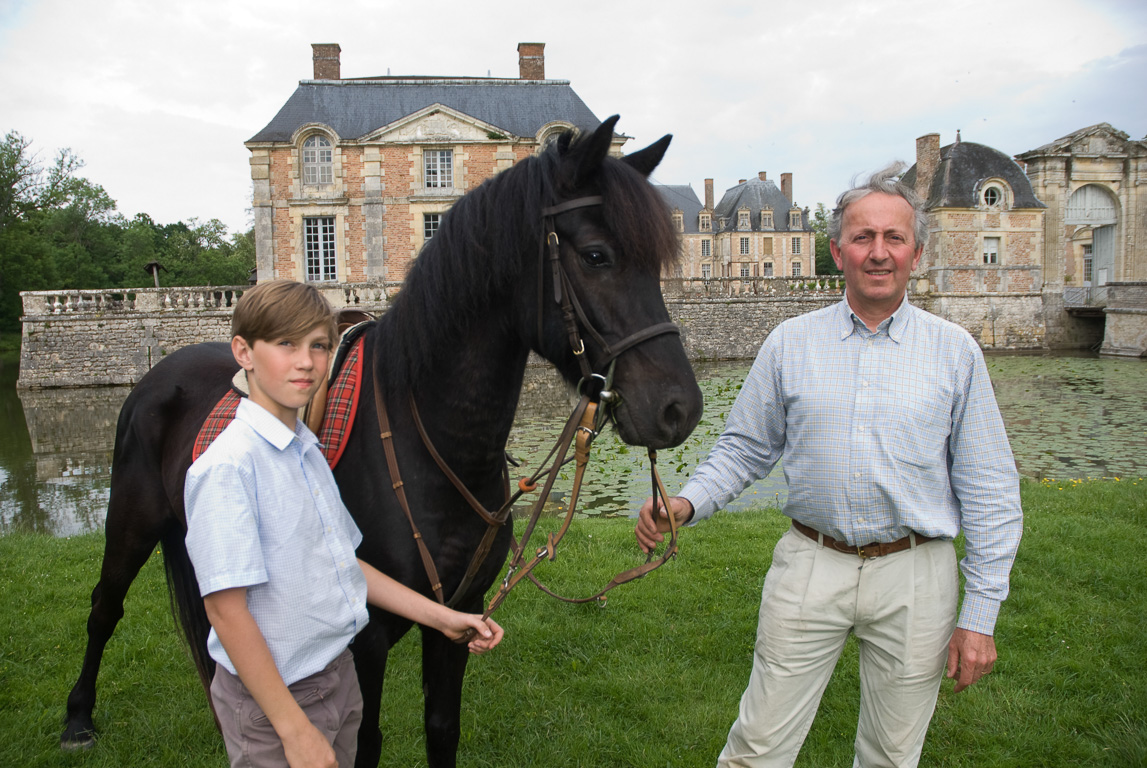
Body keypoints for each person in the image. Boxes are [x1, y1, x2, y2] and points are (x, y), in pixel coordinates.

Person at [636, 163, 1022, 767]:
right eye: (862, 238)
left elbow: (991, 490)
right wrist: (688, 502)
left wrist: (980, 615)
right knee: (757, 746)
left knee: (892, 757)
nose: (878, 253)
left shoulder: (955, 352)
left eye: (893, 238)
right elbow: (745, 447)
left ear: (916, 253)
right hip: (811, 564)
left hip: (916, 574)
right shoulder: (791, 342)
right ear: (836, 251)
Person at [185, 280, 503, 768]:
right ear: (243, 352)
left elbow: (345, 565)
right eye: (285, 344)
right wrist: (293, 731)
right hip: (276, 699)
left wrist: (445, 618)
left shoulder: (308, 451)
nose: (306, 362)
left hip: (336, 678)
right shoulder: (229, 467)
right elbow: (226, 613)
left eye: (318, 346)